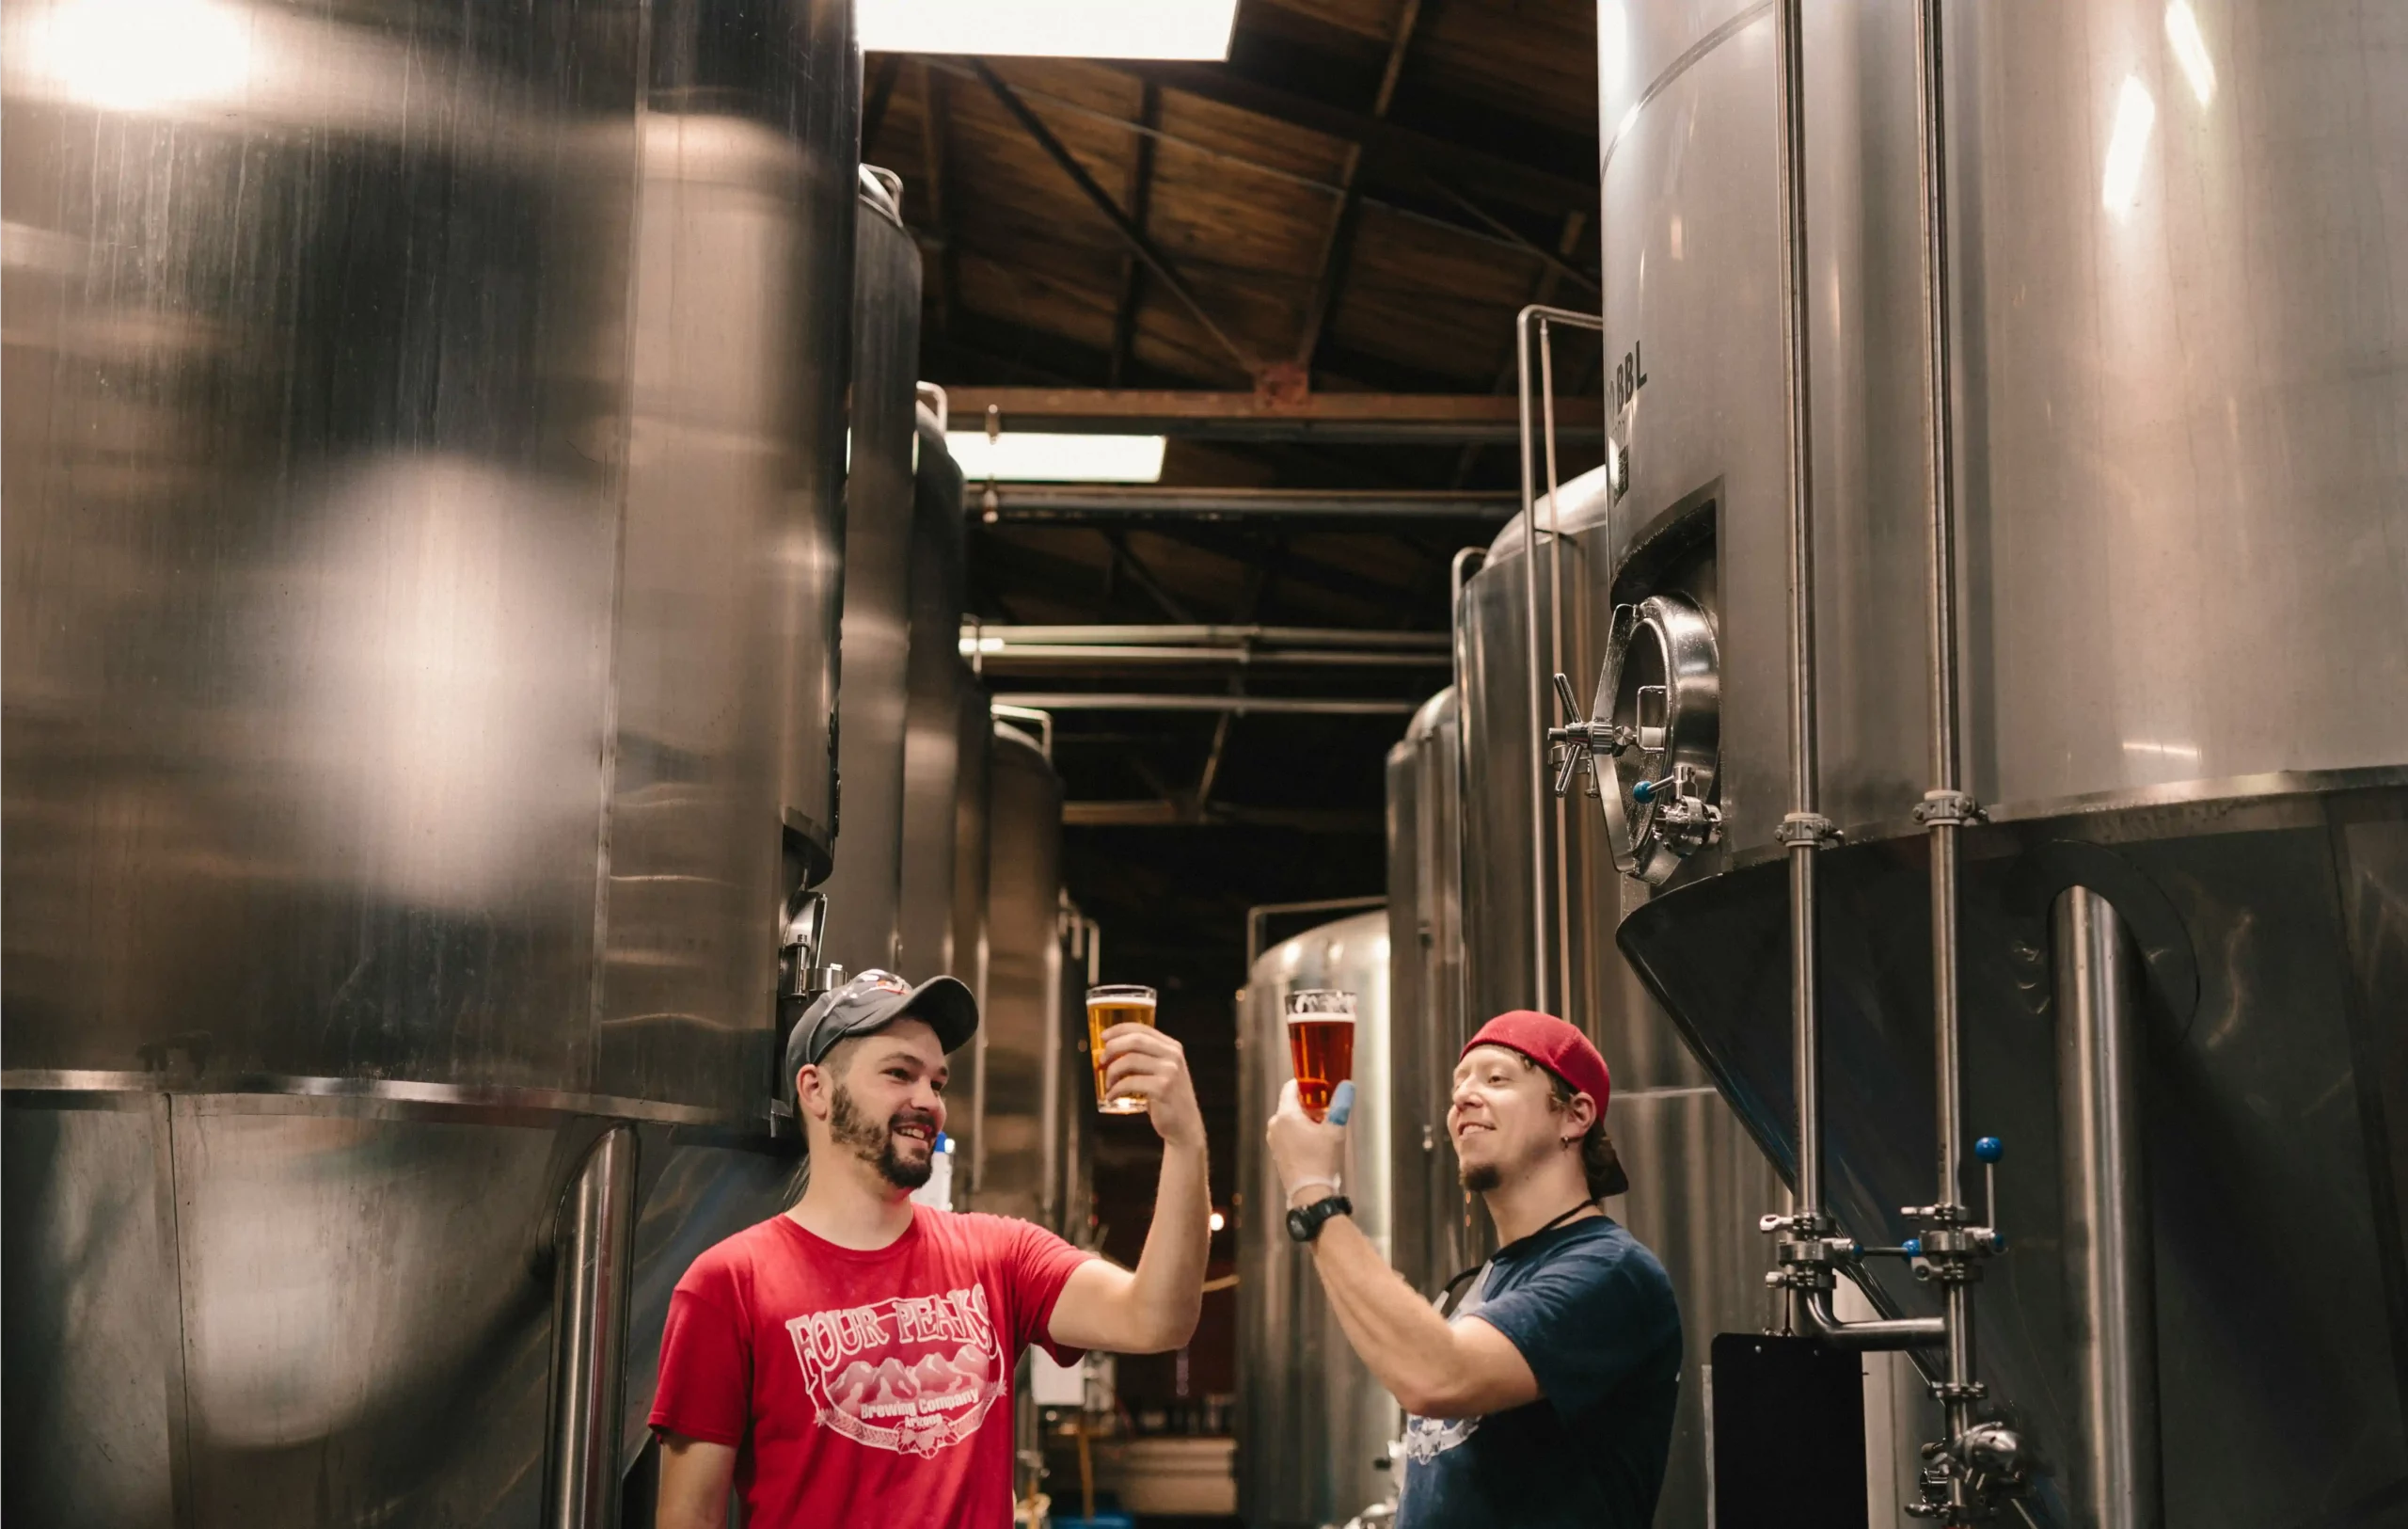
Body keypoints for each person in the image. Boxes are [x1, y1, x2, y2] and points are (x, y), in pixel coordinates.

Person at [652, 968, 1210, 1528]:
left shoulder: (999, 1255)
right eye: (900, 1073)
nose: (928, 1101)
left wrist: (1185, 1142)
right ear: (816, 1090)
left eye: (937, 1083)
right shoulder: (728, 1284)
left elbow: (1157, 1319)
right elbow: (688, 1517)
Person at [1265, 1009, 1681, 1528]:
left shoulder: (1608, 1271)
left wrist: (1315, 1195)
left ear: (1575, 1115)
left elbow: (1438, 1376)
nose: (1462, 1095)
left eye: (1497, 1077)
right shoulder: (1481, 1285)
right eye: (1459, 1083)